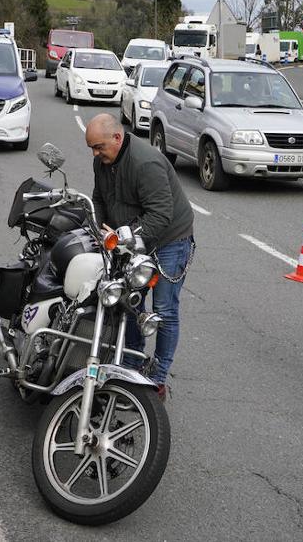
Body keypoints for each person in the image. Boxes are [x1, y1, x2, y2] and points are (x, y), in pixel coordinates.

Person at [85, 113, 195, 401]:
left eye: (98, 147)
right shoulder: (102, 161)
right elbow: (99, 198)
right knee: (129, 302)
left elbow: (161, 214)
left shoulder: (146, 163)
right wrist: (98, 228)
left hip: (170, 241)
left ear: (117, 138)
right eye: (92, 148)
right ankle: (131, 364)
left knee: (163, 309)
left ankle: (158, 378)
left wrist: (124, 236)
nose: (95, 154)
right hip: (130, 239)